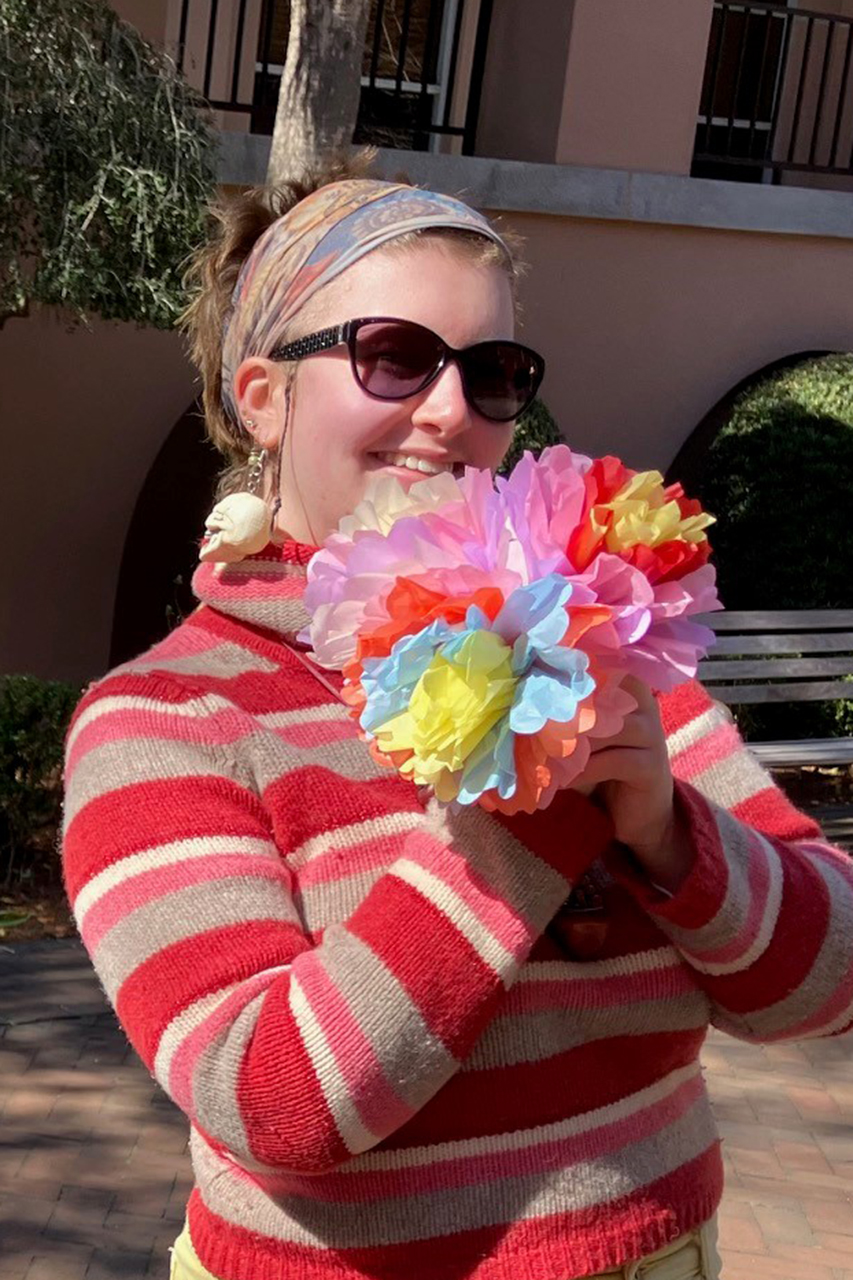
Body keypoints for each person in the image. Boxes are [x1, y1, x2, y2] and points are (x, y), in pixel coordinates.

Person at [61, 154, 853, 1280]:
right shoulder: (168, 719)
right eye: (391, 356)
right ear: (264, 396)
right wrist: (538, 799)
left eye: (492, 371)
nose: (448, 410)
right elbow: (270, 1099)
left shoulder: (609, 648)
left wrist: (673, 831)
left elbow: (831, 979)